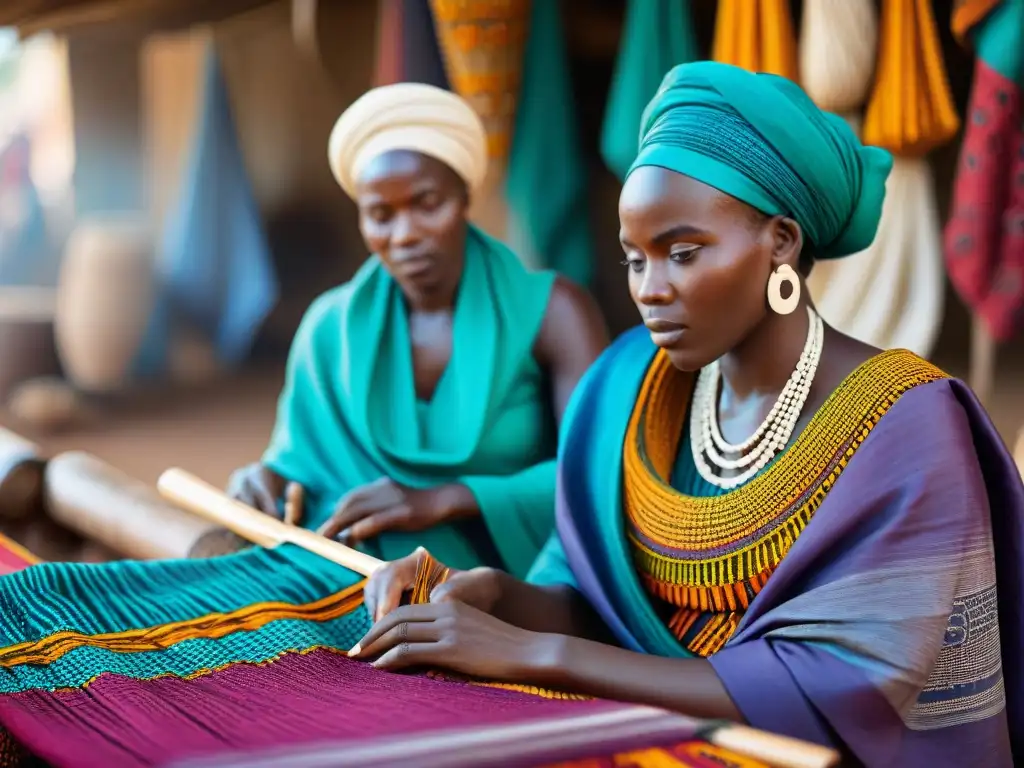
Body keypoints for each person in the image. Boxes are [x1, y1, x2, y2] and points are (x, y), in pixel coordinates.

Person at [348, 62, 1024, 766]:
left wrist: (537, 653)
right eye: (634, 259)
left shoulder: (909, 424)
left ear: (782, 244)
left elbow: (843, 686)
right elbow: (598, 600)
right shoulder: (626, 386)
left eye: (682, 253)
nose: (650, 289)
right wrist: (492, 595)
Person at [190, 83, 608, 578]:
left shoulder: (554, 312)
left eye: (427, 202)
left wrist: (444, 501)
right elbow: (299, 465)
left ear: (463, 197)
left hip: (504, 589)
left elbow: (597, 477)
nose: (405, 234)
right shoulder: (330, 330)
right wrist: (263, 481)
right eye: (381, 215)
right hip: (346, 574)